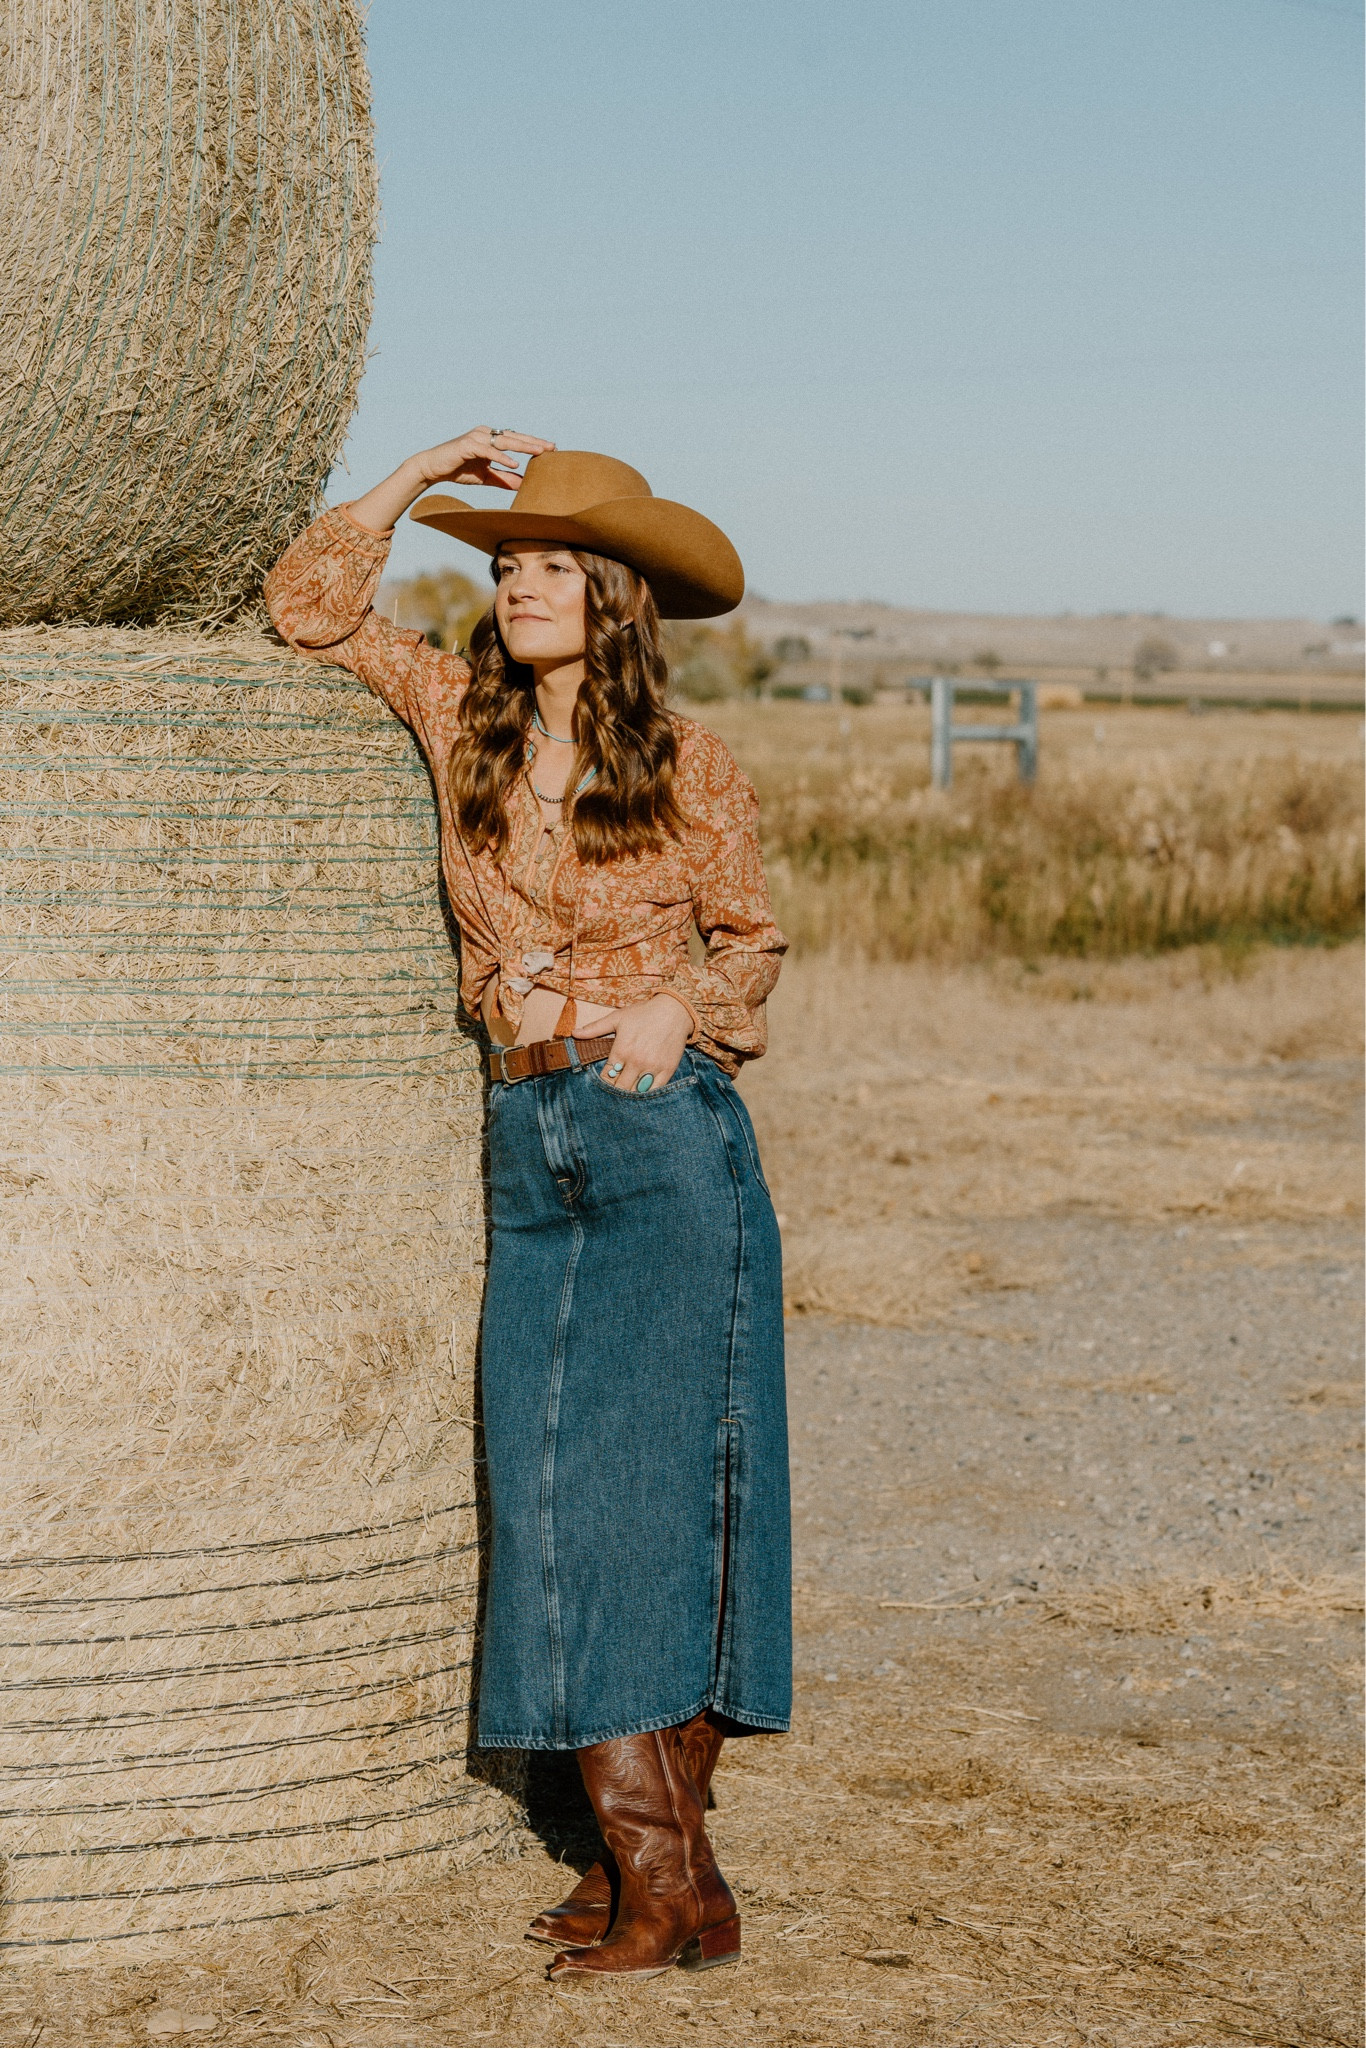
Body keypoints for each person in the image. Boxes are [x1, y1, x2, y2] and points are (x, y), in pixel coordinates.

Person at [264, 429, 790, 1982]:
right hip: (525, 1139)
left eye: (551, 562)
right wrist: (420, 471)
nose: (518, 583)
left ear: (616, 595)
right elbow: (308, 605)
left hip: (657, 1137)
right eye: (505, 561)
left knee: (654, 1487)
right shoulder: (460, 714)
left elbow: (751, 942)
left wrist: (674, 1008)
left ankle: (649, 1876)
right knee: (548, 1486)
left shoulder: (690, 764)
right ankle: (678, 1879)